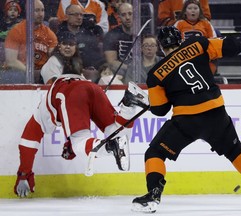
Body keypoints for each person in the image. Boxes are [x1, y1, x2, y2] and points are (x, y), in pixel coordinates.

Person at [131, 26, 241, 213]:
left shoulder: (155, 75)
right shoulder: (198, 44)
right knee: (235, 150)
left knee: (154, 153)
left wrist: (156, 98)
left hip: (186, 121)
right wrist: (217, 39)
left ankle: (153, 195)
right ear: (180, 38)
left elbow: (160, 110)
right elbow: (234, 47)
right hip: (216, 114)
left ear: (162, 47)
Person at [14, 56, 149, 198]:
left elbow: (28, 142)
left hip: (72, 93)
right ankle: (128, 105)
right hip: (93, 88)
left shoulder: (52, 96)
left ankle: (110, 146)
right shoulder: (84, 81)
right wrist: (69, 145)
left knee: (79, 141)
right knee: (116, 133)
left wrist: (24, 174)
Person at [3, 0, 57, 84]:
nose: (41, 14)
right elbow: (11, 61)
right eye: (37, 10)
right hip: (20, 72)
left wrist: (43, 73)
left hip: (42, 73)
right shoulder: (16, 31)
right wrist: (30, 72)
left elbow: (54, 58)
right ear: (28, 12)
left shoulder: (49, 34)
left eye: (42, 10)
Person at [57, 4, 104, 82]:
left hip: (90, 69)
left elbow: (95, 54)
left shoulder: (89, 34)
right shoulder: (60, 34)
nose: (79, 17)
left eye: (81, 15)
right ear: (66, 16)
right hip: (68, 71)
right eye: (75, 15)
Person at [174, 0, 217, 74]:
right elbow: (174, 42)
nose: (193, 11)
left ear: (200, 11)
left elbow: (214, 41)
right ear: (185, 11)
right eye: (190, 8)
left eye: (195, 8)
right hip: (183, 58)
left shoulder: (206, 24)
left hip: (203, 57)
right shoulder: (179, 24)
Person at [103, 2, 133, 80]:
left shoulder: (144, 33)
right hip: (120, 74)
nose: (127, 17)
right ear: (119, 17)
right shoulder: (111, 35)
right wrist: (131, 69)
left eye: (130, 14)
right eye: (123, 15)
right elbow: (112, 62)